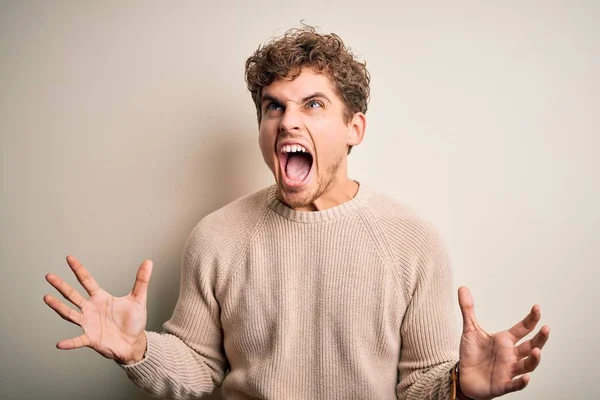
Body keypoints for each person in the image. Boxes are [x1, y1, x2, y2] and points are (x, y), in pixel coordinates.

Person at [44, 25, 549, 400]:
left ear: (355, 128)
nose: (287, 122)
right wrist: (139, 351)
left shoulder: (412, 241)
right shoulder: (216, 238)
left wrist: (462, 386)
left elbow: (420, 386)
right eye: (273, 107)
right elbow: (199, 368)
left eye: (312, 105)